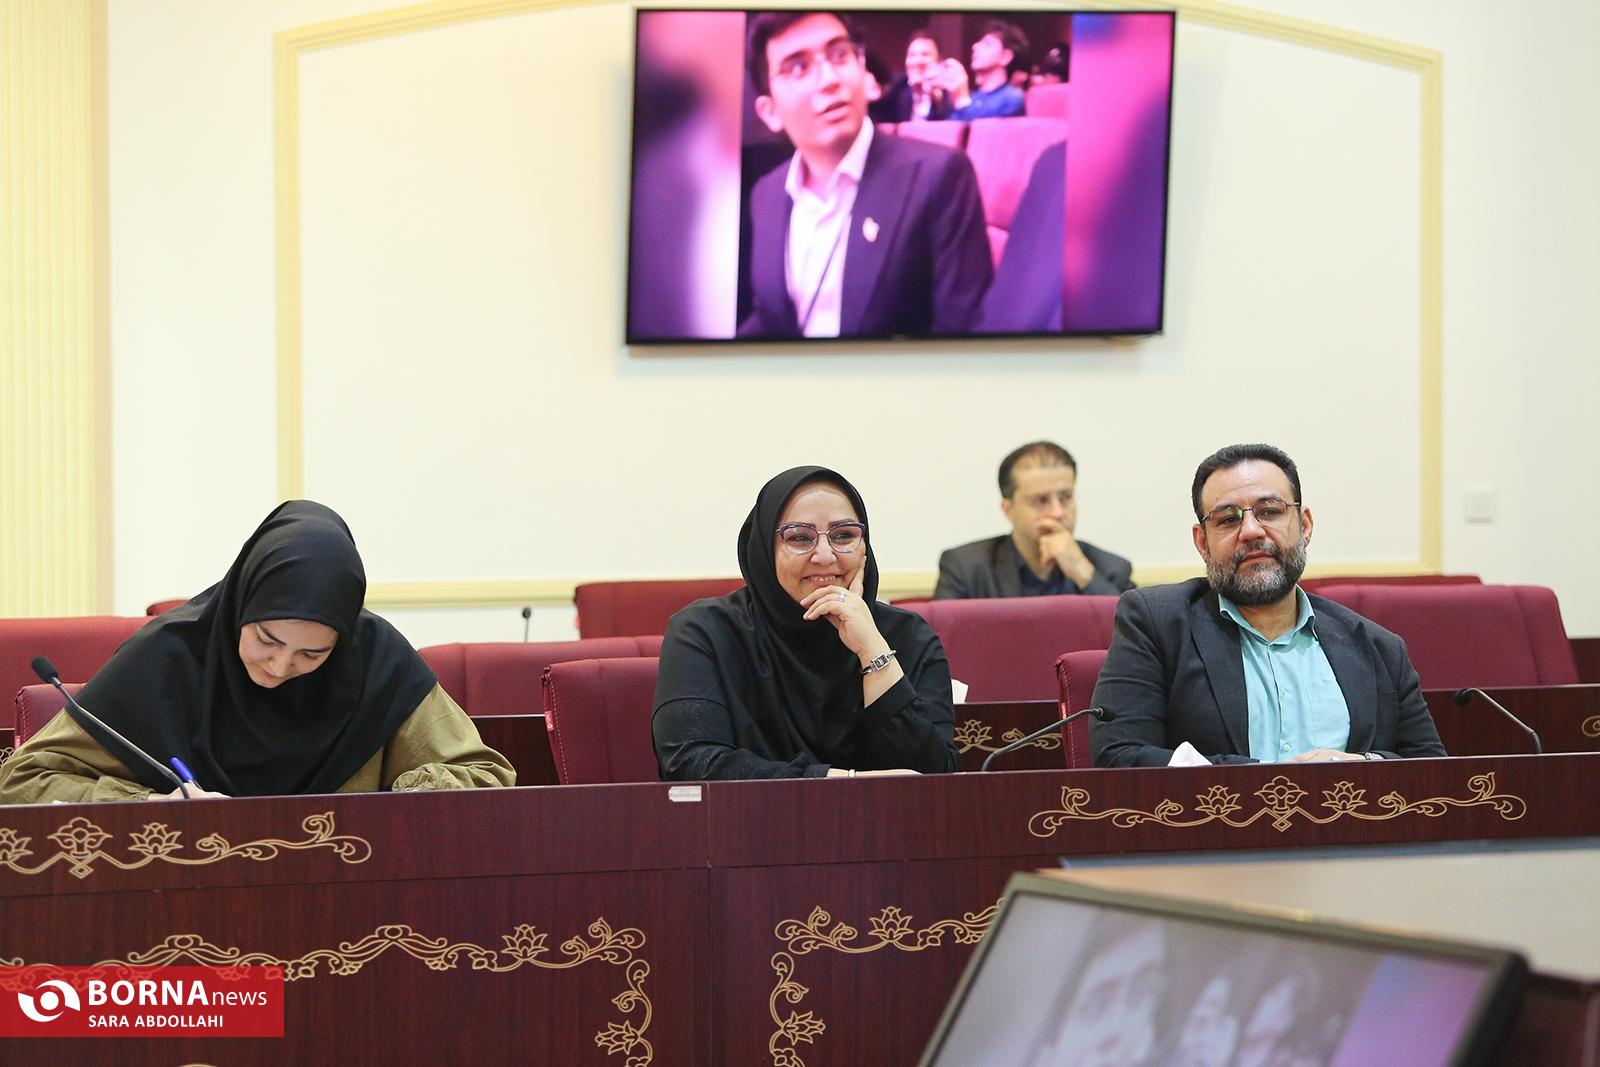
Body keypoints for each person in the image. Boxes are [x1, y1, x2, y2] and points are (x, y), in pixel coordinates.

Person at [0, 501, 514, 803]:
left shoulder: (378, 660)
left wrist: (396, 808)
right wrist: (153, 805)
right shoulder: (166, 658)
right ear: (241, 605)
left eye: (313, 655)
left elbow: (484, 775)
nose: (280, 666)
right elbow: (22, 781)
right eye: (267, 639)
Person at [1090, 443, 1448, 767]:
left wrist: (1363, 765)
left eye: (1270, 511)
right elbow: (1119, 754)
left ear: (1304, 526)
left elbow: (1433, 769)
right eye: (1228, 519)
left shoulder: (1378, 647)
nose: (1251, 531)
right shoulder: (1157, 623)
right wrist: (1258, 781)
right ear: (1202, 543)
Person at [652, 465, 958, 780]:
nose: (825, 556)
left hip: (890, 815)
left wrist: (873, 650)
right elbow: (690, 764)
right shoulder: (706, 632)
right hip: (752, 815)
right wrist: (842, 782)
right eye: (800, 537)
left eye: (844, 535)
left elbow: (935, 777)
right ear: (765, 549)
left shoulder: (909, 636)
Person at [738, 12, 993, 338]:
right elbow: (770, 316)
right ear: (770, 111)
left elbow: (962, 338)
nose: (829, 79)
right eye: (799, 68)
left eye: (838, 54)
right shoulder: (767, 193)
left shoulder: (939, 177)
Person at [934, 441, 1134, 599]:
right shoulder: (966, 567)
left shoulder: (1112, 569)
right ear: (1008, 510)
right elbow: (943, 636)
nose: (1057, 512)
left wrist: (1084, 574)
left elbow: (1132, 633)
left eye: (1065, 498)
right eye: (1040, 501)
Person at [937, 20, 1030, 120]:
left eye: (987, 44)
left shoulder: (1011, 98)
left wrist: (961, 100)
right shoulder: (973, 97)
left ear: (1005, 57)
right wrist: (936, 98)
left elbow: (978, 128)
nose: (975, 46)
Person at [874, 29, 949, 123]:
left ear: (939, 61)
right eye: (912, 55)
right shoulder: (897, 89)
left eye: (925, 55)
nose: (917, 61)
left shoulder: (948, 95)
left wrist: (937, 101)